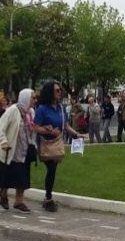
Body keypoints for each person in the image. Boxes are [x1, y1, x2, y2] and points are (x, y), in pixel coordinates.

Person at [34, 81, 86, 212]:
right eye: (57, 90)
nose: (60, 92)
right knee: (51, 168)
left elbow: (66, 125)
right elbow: (35, 127)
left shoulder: (60, 108)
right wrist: (48, 131)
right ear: (50, 92)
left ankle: (48, 197)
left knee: (53, 170)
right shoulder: (42, 109)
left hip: (57, 144)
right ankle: (48, 198)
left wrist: (76, 134)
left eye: (60, 90)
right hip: (45, 144)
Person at [0, 89, 36, 213]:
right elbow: (0, 126)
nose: (35, 100)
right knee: (7, 175)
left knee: (23, 176)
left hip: (25, 149)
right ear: (25, 98)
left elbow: (33, 129)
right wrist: (3, 141)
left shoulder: (31, 112)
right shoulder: (13, 110)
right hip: (12, 148)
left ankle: (19, 201)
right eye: (32, 98)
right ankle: (3, 196)